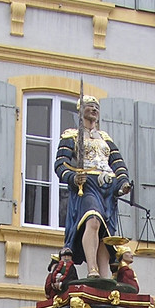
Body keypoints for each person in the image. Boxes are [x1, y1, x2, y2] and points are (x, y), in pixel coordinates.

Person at [54, 95, 131, 278]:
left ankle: (103, 275)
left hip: (108, 186)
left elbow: (118, 164)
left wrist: (123, 183)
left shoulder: (105, 138)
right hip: (87, 184)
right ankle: (92, 269)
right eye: (90, 106)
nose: (94, 109)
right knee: (93, 219)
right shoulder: (71, 135)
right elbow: (60, 164)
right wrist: (73, 177)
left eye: (96, 107)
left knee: (106, 232)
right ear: (80, 110)